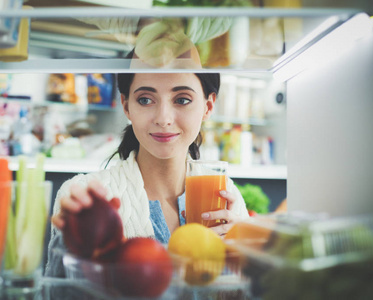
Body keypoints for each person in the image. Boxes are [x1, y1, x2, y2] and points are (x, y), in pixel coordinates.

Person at [44, 72, 249, 278]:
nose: (163, 119)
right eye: (145, 100)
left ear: (208, 106)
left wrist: (245, 258)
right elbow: (55, 292)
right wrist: (70, 247)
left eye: (182, 100)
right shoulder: (86, 195)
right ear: (126, 106)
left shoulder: (226, 194)